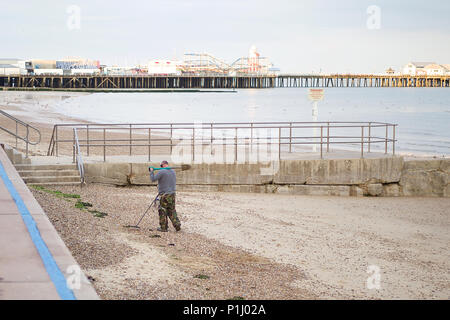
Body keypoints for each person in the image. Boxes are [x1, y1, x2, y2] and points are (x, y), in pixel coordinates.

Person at [149, 160, 181, 232]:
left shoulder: (162, 171)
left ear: (163, 165)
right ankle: (177, 224)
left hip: (165, 195)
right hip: (172, 194)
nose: (160, 167)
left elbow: (153, 179)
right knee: (171, 210)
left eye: (161, 166)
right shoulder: (173, 171)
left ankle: (163, 227)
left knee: (162, 209)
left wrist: (151, 171)